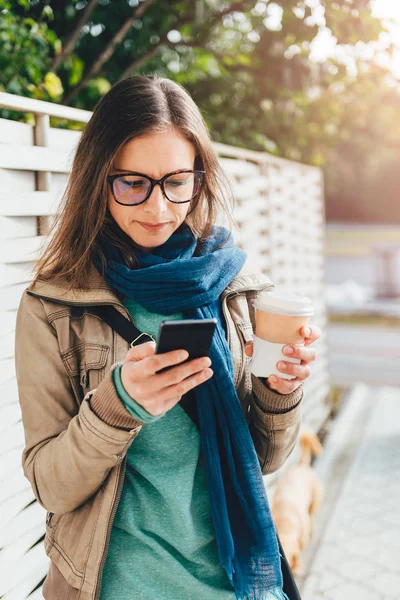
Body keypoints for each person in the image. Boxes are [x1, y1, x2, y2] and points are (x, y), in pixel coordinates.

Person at [15, 75, 320, 600]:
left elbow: (266, 459)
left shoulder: (237, 290)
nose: (158, 208)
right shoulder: (54, 307)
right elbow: (52, 485)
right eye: (132, 183)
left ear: (200, 178)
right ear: (97, 178)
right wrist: (117, 406)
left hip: (236, 584)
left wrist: (280, 391)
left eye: (177, 181)